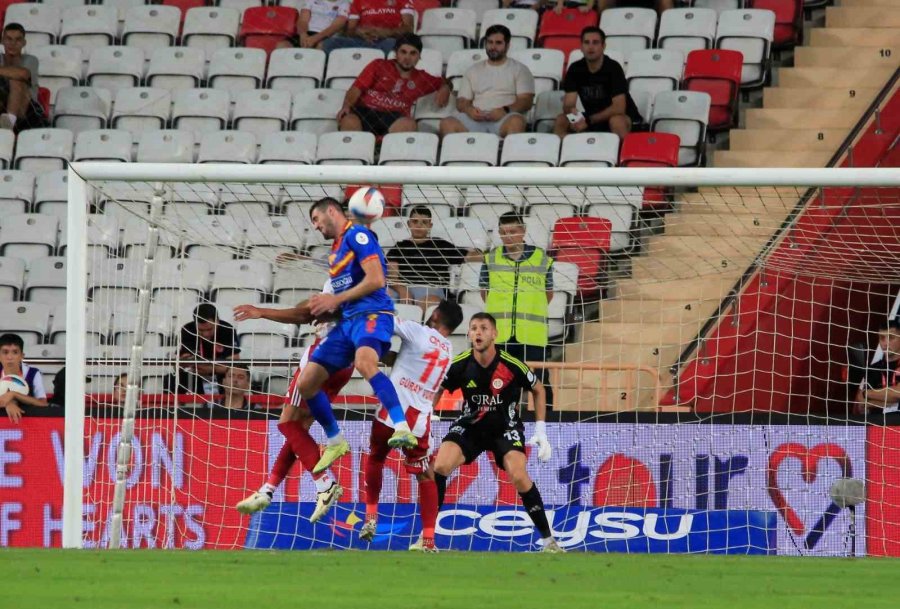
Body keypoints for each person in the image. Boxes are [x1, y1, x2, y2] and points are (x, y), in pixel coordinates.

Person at [298, 196, 418, 475]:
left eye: (316, 219)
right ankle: (335, 440)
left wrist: (335, 299)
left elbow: (377, 279)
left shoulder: (358, 235)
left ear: (331, 211)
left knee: (365, 363)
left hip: (374, 313)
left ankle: (402, 427)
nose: (315, 226)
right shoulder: (336, 250)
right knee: (307, 383)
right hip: (348, 321)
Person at [430, 313, 561, 552]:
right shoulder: (460, 363)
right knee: (439, 467)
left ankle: (548, 541)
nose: (478, 332)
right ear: (469, 334)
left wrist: (541, 430)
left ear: (494, 334)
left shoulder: (511, 364)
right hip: (471, 426)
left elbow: (538, 389)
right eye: (473, 328)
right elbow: (437, 388)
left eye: (483, 328)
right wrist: (426, 419)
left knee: (519, 476)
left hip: (505, 428)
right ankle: (426, 538)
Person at [234, 282, 352, 523]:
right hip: (345, 362)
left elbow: (304, 314)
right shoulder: (364, 288)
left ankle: (325, 483)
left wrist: (262, 311)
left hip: (323, 356)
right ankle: (268, 489)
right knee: (298, 429)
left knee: (287, 423)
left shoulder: (342, 276)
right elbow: (309, 310)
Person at [359, 300, 464, 552]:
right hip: (418, 422)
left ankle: (371, 517)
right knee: (426, 476)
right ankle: (428, 540)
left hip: (392, 414)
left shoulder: (418, 331)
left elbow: (387, 321)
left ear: (436, 314)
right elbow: (409, 360)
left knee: (375, 458)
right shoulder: (449, 350)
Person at [480, 212, 553, 370]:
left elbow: (549, 293)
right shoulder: (490, 258)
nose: (508, 236)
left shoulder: (541, 258)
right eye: (504, 233)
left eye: (513, 232)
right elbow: (484, 292)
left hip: (532, 334)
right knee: (501, 382)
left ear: (523, 230)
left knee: (539, 382)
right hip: (499, 333)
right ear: (499, 233)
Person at [337, 33, 450, 136]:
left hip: (394, 118)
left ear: (419, 56)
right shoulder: (379, 65)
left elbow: (446, 81)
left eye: (413, 53)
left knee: (409, 124)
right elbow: (356, 88)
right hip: (366, 112)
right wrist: (346, 106)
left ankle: (384, 153)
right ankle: (358, 155)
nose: (407, 58)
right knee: (349, 120)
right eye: (403, 52)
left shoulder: (422, 78)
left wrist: (445, 88)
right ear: (396, 53)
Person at [439, 25, 534, 138]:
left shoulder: (520, 69)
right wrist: (469, 110)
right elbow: (462, 101)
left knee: (516, 122)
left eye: (498, 43)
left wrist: (505, 110)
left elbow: (526, 101)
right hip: (476, 118)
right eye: (490, 42)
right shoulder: (473, 70)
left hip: (504, 118)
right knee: (446, 123)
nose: (493, 47)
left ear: (507, 46)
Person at [554, 26, 641, 140]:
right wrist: (573, 115)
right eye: (586, 42)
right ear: (581, 47)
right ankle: (565, 155)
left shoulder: (613, 68)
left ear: (603, 46)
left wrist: (589, 121)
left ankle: (622, 155)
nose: (590, 47)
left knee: (616, 121)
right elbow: (568, 104)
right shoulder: (575, 69)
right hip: (592, 118)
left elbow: (619, 107)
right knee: (561, 119)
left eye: (595, 42)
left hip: (623, 117)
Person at [386, 206, 479, 309]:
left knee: (429, 302)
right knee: (385, 297)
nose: (419, 225)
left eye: (424, 222)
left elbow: (470, 256)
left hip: (433, 290)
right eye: (415, 221)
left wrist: (489, 254)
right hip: (403, 289)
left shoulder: (440, 245)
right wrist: (403, 291)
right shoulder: (399, 247)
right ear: (409, 224)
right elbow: (392, 277)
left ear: (430, 225)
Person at [174, 303, 241, 396]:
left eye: (210, 329)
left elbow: (234, 364)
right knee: (174, 378)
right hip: (196, 375)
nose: (205, 334)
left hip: (221, 376)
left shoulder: (228, 330)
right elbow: (179, 363)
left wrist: (211, 369)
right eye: (201, 330)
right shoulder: (187, 330)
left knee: (233, 375)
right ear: (195, 323)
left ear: (217, 321)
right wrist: (186, 361)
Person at [321, 0, 415, 55]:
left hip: (388, 40)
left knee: (394, 44)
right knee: (329, 43)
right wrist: (359, 32)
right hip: (362, 40)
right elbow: (350, 30)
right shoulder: (358, 1)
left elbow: (408, 28)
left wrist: (386, 32)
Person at [0, 333, 49, 423]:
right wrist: (8, 403)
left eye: (15, 352)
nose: (10, 357)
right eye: (5, 352)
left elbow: (43, 404)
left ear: (22, 356)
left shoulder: (33, 373)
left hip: (31, 424)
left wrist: (14, 394)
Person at [0, 23, 40, 131]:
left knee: (16, 81)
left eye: (18, 40)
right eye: (8, 39)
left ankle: (5, 130)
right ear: (2, 41)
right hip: (3, 104)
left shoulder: (31, 59)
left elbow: (23, 74)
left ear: (24, 43)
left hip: (27, 108)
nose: (13, 44)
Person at [855, 318, 900, 415]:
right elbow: (861, 404)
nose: (886, 343)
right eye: (882, 338)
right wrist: (894, 402)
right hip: (878, 426)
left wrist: (867, 393)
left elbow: (898, 393)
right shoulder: (872, 369)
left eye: (891, 337)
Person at [278, 0, 351, 50]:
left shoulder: (345, 4)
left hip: (326, 36)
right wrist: (303, 35)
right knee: (282, 46)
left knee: (320, 48)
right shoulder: (311, 1)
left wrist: (315, 38)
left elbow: (336, 26)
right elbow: (302, 21)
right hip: (307, 33)